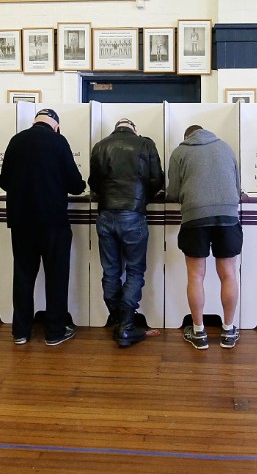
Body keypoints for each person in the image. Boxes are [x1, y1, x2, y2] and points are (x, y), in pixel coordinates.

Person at [0, 109, 86, 346]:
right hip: (53, 221)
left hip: (21, 221)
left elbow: (3, 181)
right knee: (56, 276)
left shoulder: (16, 140)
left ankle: (20, 331)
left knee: (24, 275)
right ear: (56, 126)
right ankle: (55, 331)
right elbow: (75, 184)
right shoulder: (58, 141)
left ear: (34, 122)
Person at [88, 118, 165, 347]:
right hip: (133, 214)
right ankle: (126, 325)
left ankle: (118, 320)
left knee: (110, 271)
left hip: (105, 214)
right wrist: (142, 199)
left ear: (116, 129)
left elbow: (93, 182)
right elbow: (156, 179)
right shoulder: (145, 144)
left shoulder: (100, 146)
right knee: (134, 270)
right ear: (134, 129)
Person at [165, 125, 242, 350]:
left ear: (186, 136)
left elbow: (173, 192)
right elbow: (237, 187)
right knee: (228, 274)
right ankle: (228, 331)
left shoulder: (180, 151)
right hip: (228, 216)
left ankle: (199, 332)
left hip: (195, 216)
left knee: (195, 276)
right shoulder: (226, 147)